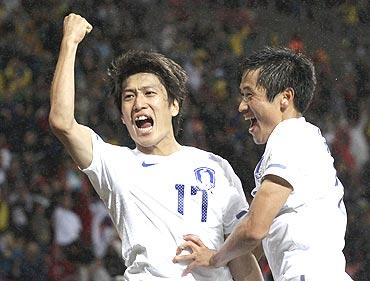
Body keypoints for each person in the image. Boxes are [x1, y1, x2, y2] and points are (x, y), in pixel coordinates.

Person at [49, 13, 263, 281]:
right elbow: (62, 122)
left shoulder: (215, 166)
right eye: (129, 97)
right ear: (123, 116)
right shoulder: (116, 164)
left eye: (149, 93)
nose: (139, 103)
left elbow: (242, 256)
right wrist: (70, 42)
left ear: (174, 105)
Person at [173, 47, 354, 281]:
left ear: (285, 99)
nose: (241, 106)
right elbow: (256, 239)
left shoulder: (290, 135)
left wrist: (214, 258)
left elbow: (254, 229)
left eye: (249, 95)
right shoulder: (302, 140)